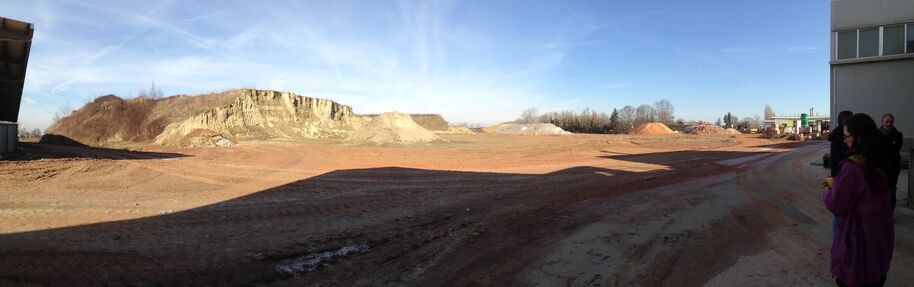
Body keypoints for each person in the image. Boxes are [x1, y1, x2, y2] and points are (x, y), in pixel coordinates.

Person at [823, 113, 894, 287]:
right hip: (879, 248)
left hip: (858, 253)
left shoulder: (853, 168)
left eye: (847, 136)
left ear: (859, 138)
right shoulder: (879, 162)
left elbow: (836, 204)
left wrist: (831, 189)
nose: (845, 140)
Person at [879, 113, 903, 211]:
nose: (889, 124)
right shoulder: (876, 135)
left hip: (892, 169)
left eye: (891, 122)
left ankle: (889, 213)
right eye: (887, 121)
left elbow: (895, 149)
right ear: (882, 122)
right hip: (879, 168)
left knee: (891, 191)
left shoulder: (898, 135)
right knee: (879, 191)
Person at [829, 111, 854, 177]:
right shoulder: (839, 138)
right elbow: (840, 161)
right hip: (842, 175)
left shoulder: (837, 134)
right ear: (844, 122)